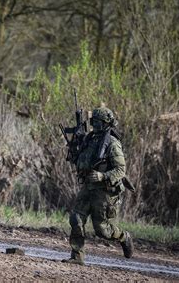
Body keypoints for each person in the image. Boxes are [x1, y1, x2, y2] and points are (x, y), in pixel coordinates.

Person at [62, 107, 134, 265]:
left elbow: (121, 169)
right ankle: (77, 257)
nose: (95, 124)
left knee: (102, 230)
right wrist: (74, 150)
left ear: (107, 123)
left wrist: (103, 175)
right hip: (88, 186)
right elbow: (81, 161)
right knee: (76, 218)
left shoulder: (112, 143)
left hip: (104, 191)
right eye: (93, 121)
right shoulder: (89, 139)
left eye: (98, 122)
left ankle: (124, 237)